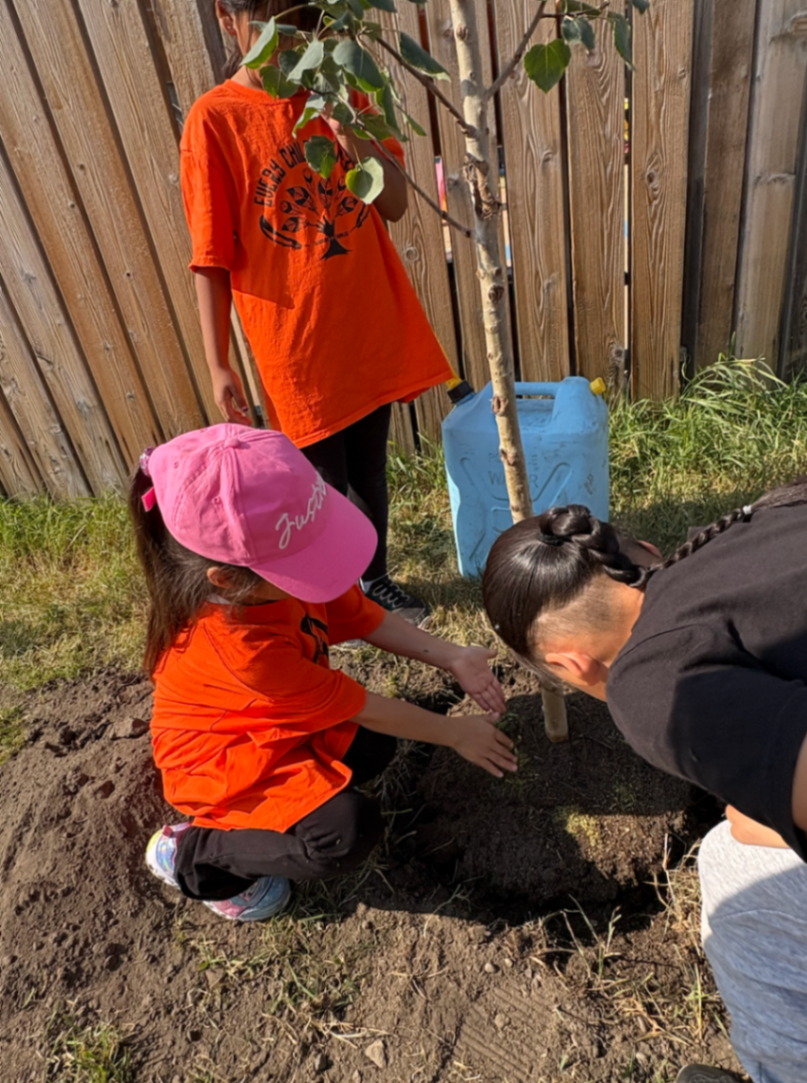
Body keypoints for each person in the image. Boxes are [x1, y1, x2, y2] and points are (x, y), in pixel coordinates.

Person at [481, 485, 807, 1083]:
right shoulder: (752, 521)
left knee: (732, 861)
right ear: (647, 550)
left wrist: (761, 822)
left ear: (568, 666)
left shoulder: (653, 687)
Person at [132, 424, 515, 922]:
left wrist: (451, 656)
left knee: (376, 747)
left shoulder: (274, 569)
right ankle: (195, 854)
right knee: (344, 833)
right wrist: (455, 734)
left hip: (279, 727)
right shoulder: (240, 649)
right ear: (228, 581)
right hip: (228, 763)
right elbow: (364, 705)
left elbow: (359, 615)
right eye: (301, 567)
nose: (317, 576)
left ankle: (286, 803)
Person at [179, 0, 453, 626]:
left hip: (367, 323)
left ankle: (373, 584)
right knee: (320, 484)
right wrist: (217, 361)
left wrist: (342, 121)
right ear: (228, 18)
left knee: (369, 470)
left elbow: (396, 205)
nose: (290, 41)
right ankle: (333, 599)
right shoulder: (214, 119)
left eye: (302, 23)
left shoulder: (343, 90)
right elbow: (211, 254)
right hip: (295, 344)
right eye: (272, 24)